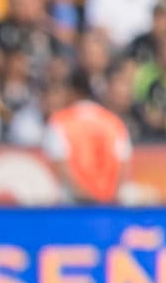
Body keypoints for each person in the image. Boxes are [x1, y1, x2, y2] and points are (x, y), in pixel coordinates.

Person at [42, 70, 132, 204]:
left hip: (74, 206)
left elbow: (60, 165)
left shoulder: (59, 122)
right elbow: (124, 165)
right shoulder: (113, 121)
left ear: (72, 92)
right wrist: (109, 197)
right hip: (108, 203)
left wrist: (84, 196)